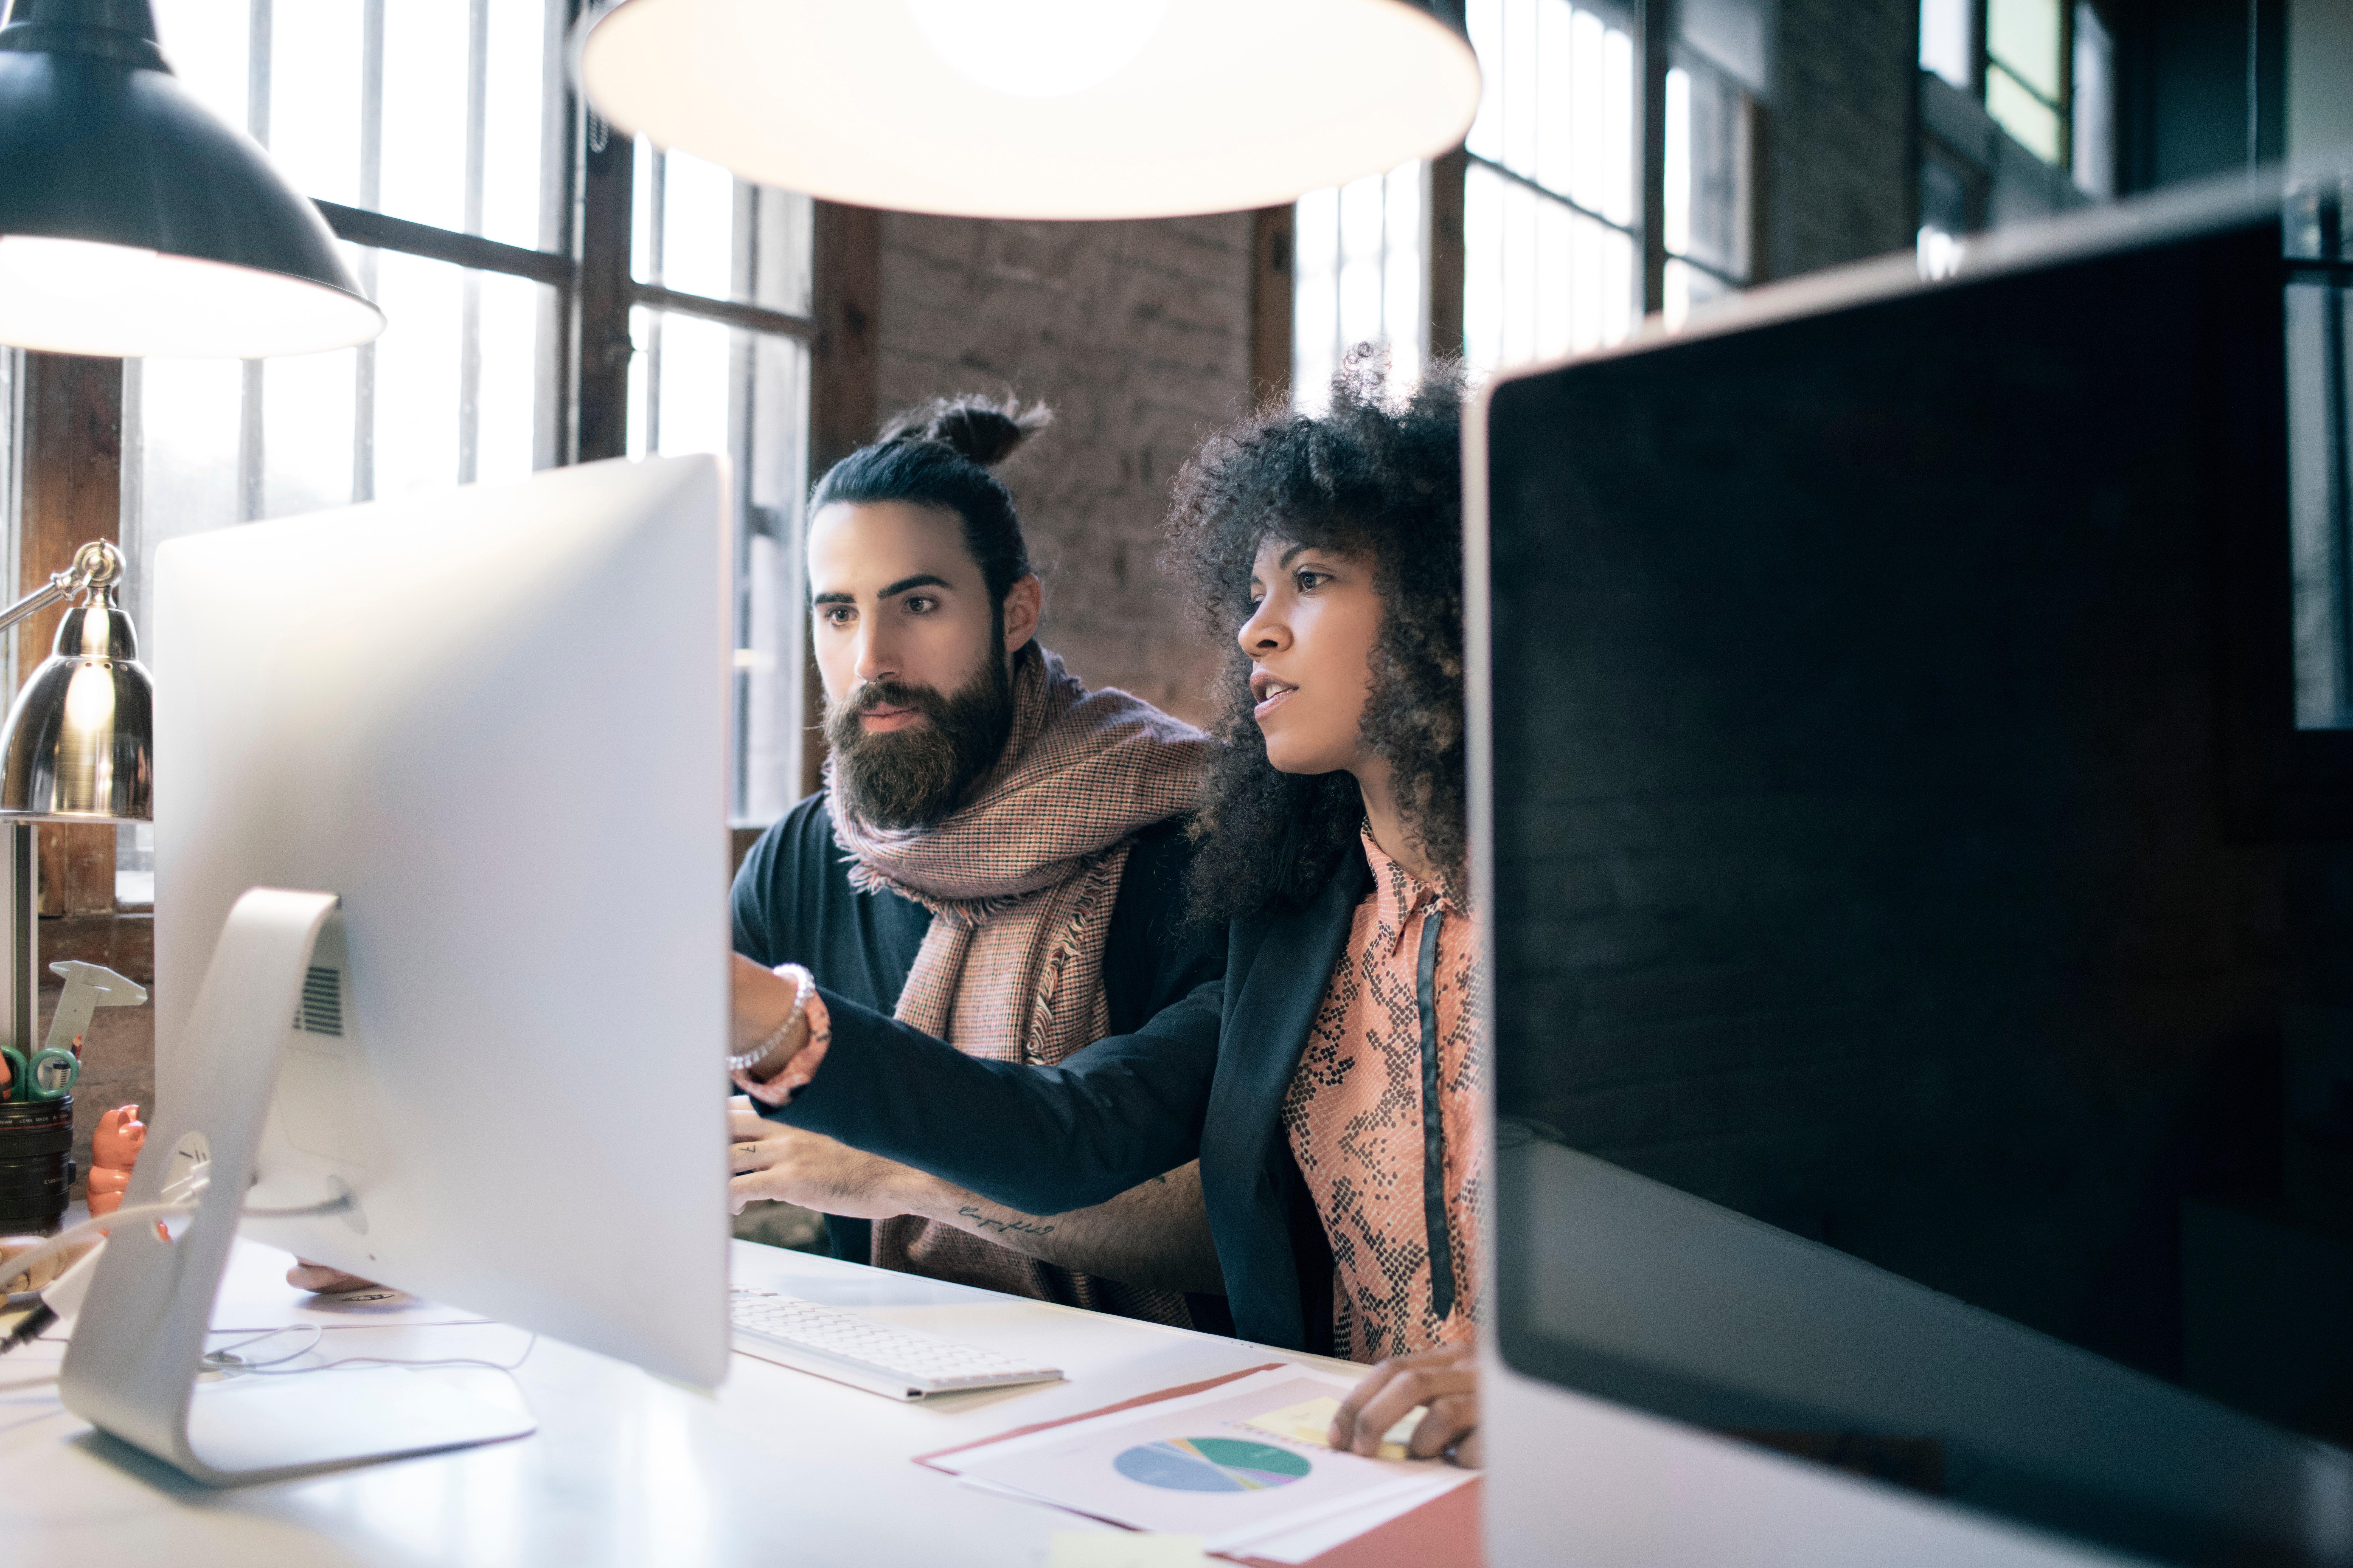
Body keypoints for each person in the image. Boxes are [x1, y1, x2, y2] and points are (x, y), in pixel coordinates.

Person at [730, 360, 1484, 1465]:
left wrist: (1568, 1385)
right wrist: (773, 1024)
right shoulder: (1299, 922)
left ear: (1449, 606)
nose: (1252, 634)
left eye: (1310, 578)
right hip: (1335, 1472)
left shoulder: (1603, 922)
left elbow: (1794, 1261)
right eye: (1253, 592)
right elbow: (1072, 1134)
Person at [726, 393, 1231, 1331]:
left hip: (1162, 1391)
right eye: (838, 613)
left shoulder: (1193, 837)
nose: (872, 657)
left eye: (918, 604)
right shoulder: (803, 855)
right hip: (882, 1372)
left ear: (1015, 612)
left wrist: (898, 1175)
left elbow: (1232, 1224)